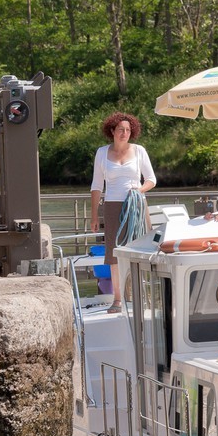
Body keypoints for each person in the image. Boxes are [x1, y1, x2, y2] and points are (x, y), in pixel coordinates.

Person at [90, 112, 156, 312]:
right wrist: (94, 215)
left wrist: (139, 190)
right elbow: (96, 185)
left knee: (140, 250)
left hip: (136, 206)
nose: (124, 133)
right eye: (120, 130)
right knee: (114, 254)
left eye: (128, 130)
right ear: (112, 131)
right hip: (112, 205)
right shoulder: (102, 152)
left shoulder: (139, 150)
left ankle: (142, 297)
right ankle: (118, 300)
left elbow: (151, 179)